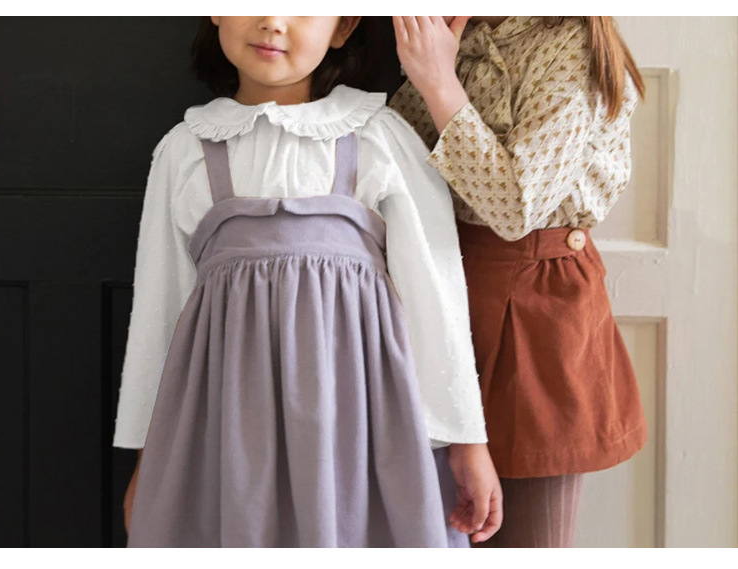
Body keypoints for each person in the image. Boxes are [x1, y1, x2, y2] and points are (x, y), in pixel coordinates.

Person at [113, 16, 501, 547]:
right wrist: (148, 459)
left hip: (359, 423)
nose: (273, 22)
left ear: (343, 28)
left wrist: (468, 441)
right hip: (229, 427)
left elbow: (436, 298)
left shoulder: (378, 137)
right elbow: (158, 317)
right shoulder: (185, 150)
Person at [390, 16, 648, 547]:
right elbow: (400, 159)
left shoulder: (571, 45)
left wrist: (439, 81)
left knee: (527, 538)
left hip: (534, 309)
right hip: (436, 289)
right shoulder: (453, 25)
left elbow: (515, 206)